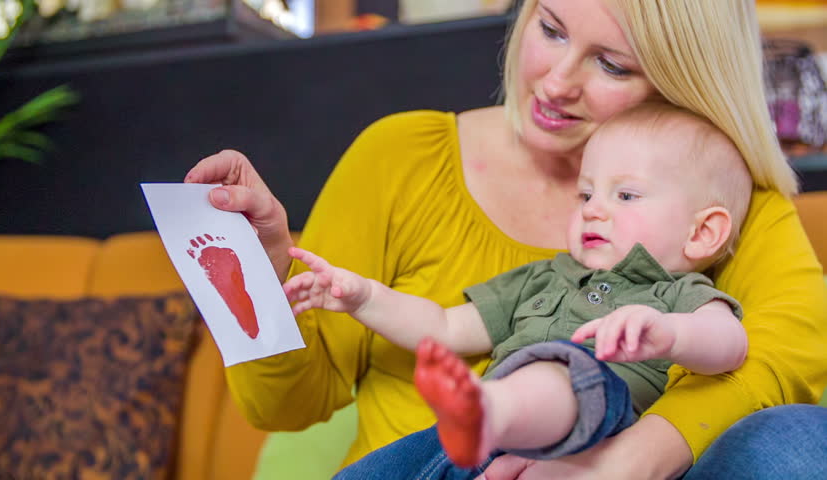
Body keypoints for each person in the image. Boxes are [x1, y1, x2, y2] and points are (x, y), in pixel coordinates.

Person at [183, 0, 827, 477]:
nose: (555, 83)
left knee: (794, 439)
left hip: (609, 453)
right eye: (549, 29)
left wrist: (628, 462)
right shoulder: (399, 158)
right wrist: (265, 274)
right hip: (436, 464)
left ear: (680, 87)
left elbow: (785, 359)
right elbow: (286, 406)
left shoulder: (721, 199)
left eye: (610, 64)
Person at [282, 103, 752, 478]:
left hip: (595, 446)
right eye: (586, 195)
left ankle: (488, 409)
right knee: (386, 467)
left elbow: (731, 345)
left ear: (703, 233)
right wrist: (365, 297)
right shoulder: (545, 276)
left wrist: (670, 335)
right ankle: (483, 411)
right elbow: (443, 327)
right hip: (478, 450)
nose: (593, 211)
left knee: (572, 372)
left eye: (625, 196)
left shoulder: (678, 293)